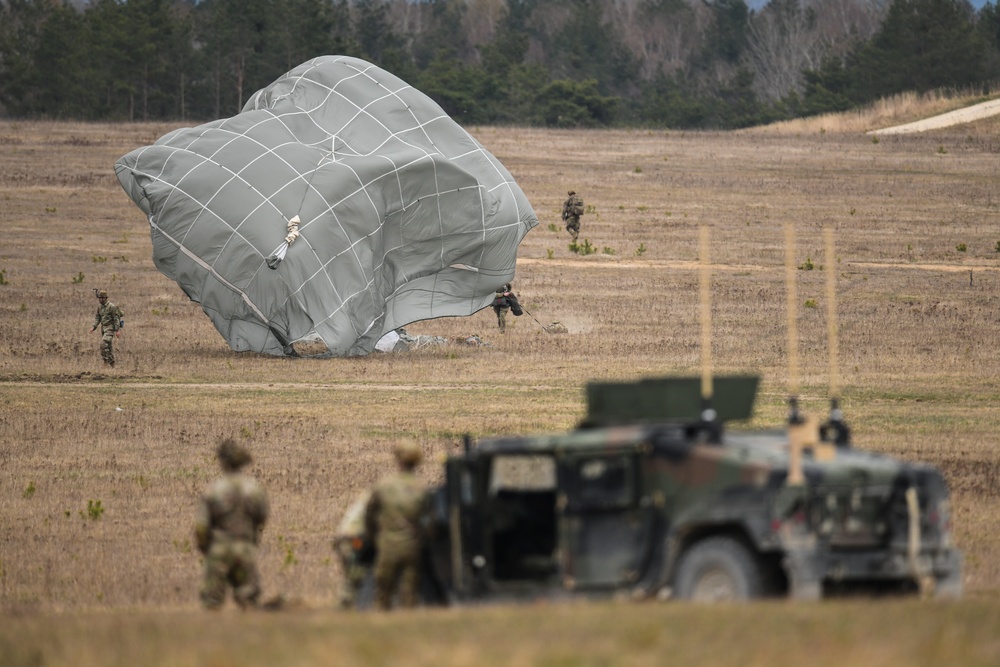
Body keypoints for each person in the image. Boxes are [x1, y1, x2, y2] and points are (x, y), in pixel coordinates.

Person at [194, 439, 269, 610]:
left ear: (222, 462)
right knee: (249, 601)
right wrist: (253, 539)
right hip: (245, 548)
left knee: (212, 603)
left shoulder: (214, 490)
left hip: (219, 549)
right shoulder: (254, 489)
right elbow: (262, 518)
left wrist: (205, 548)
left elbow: (201, 527)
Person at [364, 439, 429, 610]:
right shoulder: (422, 488)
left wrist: (374, 538)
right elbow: (430, 521)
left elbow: (369, 515)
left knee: (383, 594)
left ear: (397, 459)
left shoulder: (384, 486)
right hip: (412, 547)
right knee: (409, 594)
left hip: (387, 546)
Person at [332, 489, 374, 609]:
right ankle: (346, 604)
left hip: (344, 538)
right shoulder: (373, 506)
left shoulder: (363, 502)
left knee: (353, 575)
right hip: (352, 539)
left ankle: (349, 603)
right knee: (356, 574)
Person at [90, 289, 123, 367]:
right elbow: (98, 318)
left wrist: (117, 330)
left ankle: (105, 361)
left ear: (105, 298)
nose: (100, 300)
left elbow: (116, 319)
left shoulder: (111, 307)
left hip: (110, 328)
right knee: (109, 347)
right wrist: (93, 327)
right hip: (104, 329)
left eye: (102, 298)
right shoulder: (100, 307)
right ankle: (112, 364)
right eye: (99, 298)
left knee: (103, 344)